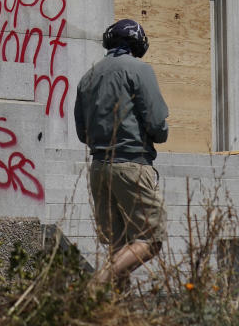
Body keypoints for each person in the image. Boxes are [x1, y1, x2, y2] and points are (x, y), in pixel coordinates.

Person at [74, 18, 169, 288]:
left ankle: (114, 310)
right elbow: (157, 122)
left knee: (118, 248)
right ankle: (95, 285)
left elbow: (82, 133)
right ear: (138, 45)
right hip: (132, 165)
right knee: (150, 240)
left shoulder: (87, 76)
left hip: (99, 167)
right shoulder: (139, 70)